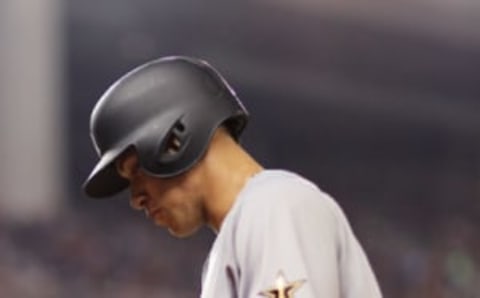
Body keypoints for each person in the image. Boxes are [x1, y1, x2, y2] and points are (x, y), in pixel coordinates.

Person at [83, 56, 382, 298]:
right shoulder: (244, 229)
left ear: (175, 140)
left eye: (136, 170)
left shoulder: (273, 204)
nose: (136, 199)